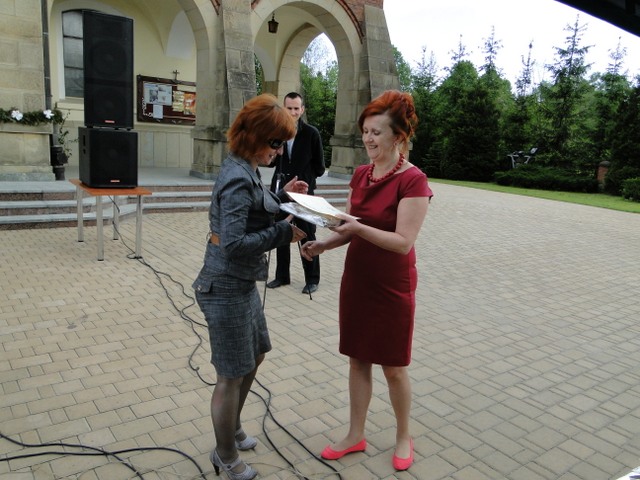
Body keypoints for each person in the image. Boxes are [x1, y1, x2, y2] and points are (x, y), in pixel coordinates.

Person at [301, 90, 433, 471]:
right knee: (357, 359)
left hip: (392, 283)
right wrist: (323, 244)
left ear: (398, 137)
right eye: (365, 131)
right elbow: (349, 228)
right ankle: (355, 434)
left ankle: (403, 435)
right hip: (358, 278)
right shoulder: (361, 174)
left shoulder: (413, 181)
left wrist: (356, 227)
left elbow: (403, 242)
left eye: (377, 132)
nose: (368, 139)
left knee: (393, 366)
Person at [192, 94, 308, 480]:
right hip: (224, 286)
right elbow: (234, 242)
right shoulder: (237, 177)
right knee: (230, 375)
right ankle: (225, 455)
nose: (279, 150)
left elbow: (258, 204)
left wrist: (285, 195)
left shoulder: (246, 167)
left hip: (240, 284)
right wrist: (282, 233)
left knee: (255, 356)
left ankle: (233, 428)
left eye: (282, 143)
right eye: (275, 142)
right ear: (255, 137)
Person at [266, 92, 325, 294]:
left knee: (307, 233)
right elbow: (270, 161)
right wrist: (278, 153)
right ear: (283, 109)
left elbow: (319, 167)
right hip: (281, 192)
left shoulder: (311, 133)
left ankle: (312, 279)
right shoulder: (277, 132)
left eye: (296, 108)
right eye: (289, 108)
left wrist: (305, 179)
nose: (292, 112)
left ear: (302, 110)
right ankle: (282, 276)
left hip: (303, 193)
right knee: (281, 231)